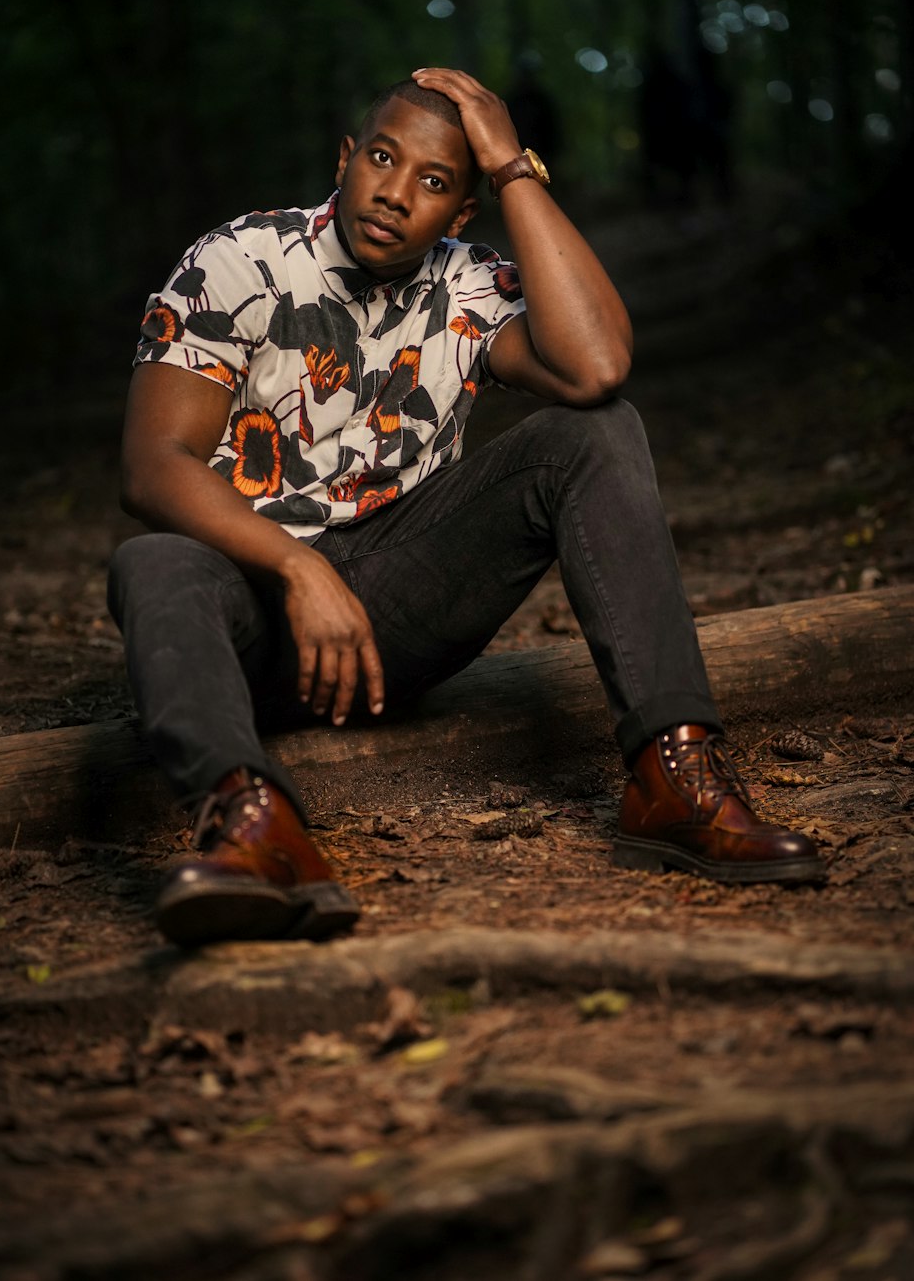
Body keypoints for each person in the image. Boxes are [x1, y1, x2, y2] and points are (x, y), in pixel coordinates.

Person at [108, 67, 824, 948]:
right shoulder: (237, 262)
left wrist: (514, 164)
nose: (394, 193)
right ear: (345, 159)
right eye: (381, 158)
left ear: (461, 213)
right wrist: (296, 565)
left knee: (595, 431)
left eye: (436, 182)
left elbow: (593, 367)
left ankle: (671, 775)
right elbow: (152, 466)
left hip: (401, 612)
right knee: (152, 560)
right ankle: (254, 828)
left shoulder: (472, 285)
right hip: (252, 614)